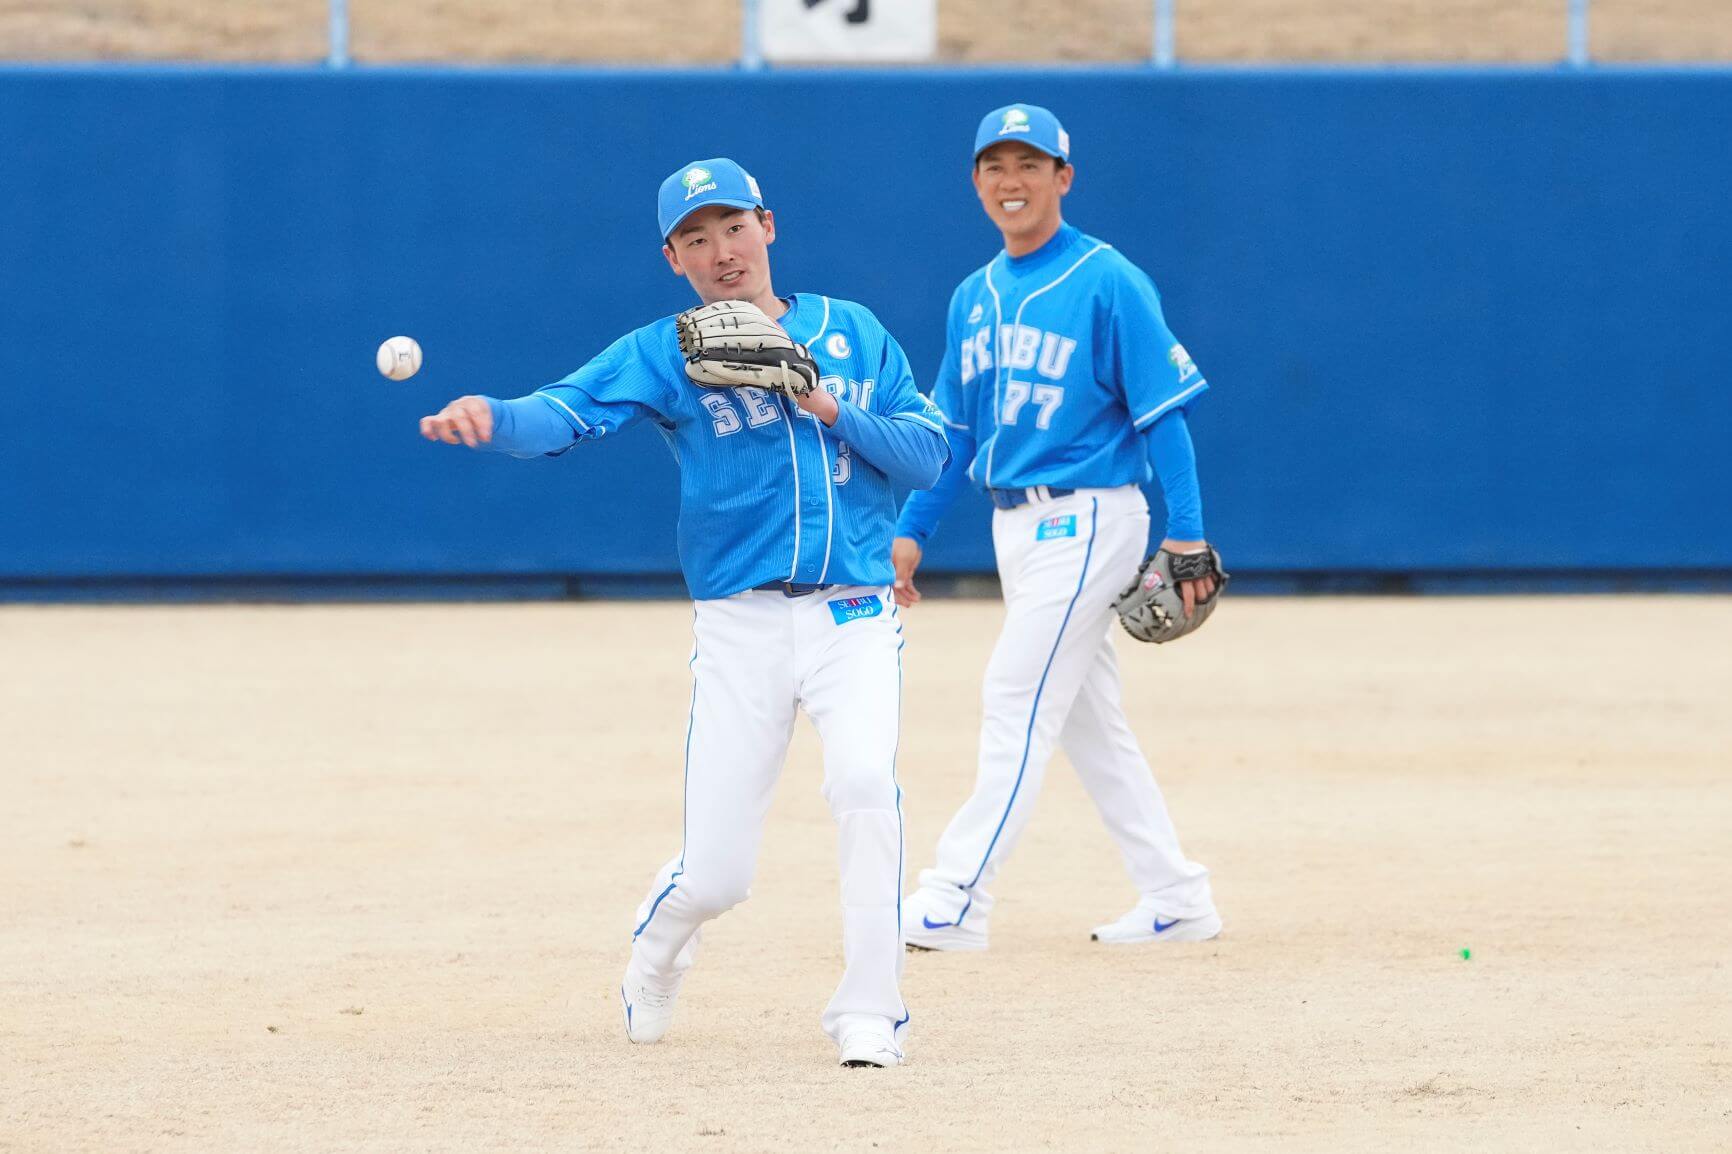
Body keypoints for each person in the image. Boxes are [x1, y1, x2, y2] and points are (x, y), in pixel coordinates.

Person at [418, 158, 949, 1066]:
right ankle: (658, 952)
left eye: (733, 226)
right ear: (673, 257)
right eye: (696, 237)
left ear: (767, 226)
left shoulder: (851, 331)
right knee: (718, 873)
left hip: (854, 609)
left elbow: (928, 457)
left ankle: (870, 1012)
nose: (721, 250)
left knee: (866, 788)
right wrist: (495, 418)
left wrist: (827, 405)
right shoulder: (666, 349)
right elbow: (566, 411)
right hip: (740, 624)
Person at [892, 105, 1223, 951]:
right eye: (996, 166)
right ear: (976, 183)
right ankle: (1176, 897)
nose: (1013, 181)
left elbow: (1164, 417)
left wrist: (1186, 534)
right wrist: (911, 531)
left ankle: (955, 896)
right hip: (1018, 530)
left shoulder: (1109, 280)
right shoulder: (973, 297)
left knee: (1013, 694)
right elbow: (955, 434)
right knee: (1085, 719)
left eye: (1031, 165)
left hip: (1090, 517)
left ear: (1063, 178)